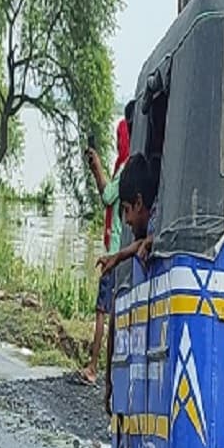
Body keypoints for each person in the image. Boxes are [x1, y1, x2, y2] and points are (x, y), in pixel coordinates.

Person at [94, 153, 161, 448]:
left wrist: (123, 253)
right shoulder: (142, 240)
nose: (125, 220)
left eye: (126, 212)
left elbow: (149, 241)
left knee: (127, 423)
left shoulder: (153, 233)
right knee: (122, 422)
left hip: (144, 349)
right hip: (134, 348)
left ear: (138, 205)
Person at [77, 102, 134, 386]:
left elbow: (107, 196)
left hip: (114, 254)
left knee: (103, 314)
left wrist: (97, 166)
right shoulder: (125, 165)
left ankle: (93, 367)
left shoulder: (124, 167)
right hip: (118, 251)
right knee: (111, 314)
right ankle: (106, 370)